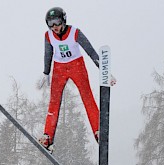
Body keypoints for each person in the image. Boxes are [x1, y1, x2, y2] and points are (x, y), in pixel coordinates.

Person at [38, 7, 115, 153]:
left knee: (87, 97)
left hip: (76, 65)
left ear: (64, 20)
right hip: (59, 68)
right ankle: (48, 136)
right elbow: (48, 54)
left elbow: (91, 51)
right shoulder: (48, 36)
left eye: (57, 22)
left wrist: (105, 71)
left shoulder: (75, 33)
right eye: (50, 24)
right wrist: (46, 73)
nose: (54, 27)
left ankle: (98, 130)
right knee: (54, 102)